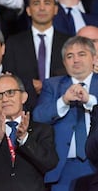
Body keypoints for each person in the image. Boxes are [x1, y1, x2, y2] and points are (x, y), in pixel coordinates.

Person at [0, 74, 58, 191]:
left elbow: (50, 163)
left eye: (10, 93)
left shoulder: (42, 130)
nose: (5, 99)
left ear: (24, 97)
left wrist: (24, 138)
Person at [33, 36, 97, 191]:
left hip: (96, 165)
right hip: (63, 169)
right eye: (70, 56)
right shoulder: (52, 85)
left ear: (94, 58)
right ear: (64, 62)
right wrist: (63, 101)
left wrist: (90, 100)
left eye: (81, 54)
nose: (76, 60)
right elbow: (38, 116)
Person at [3, 0, 70, 111]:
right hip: (24, 110)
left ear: (56, 9)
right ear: (28, 10)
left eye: (47, 3)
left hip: (62, 107)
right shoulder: (14, 43)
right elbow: (9, 75)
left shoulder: (69, 42)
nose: (42, 8)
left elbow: (73, 75)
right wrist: (29, 85)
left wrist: (46, 86)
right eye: (36, 3)